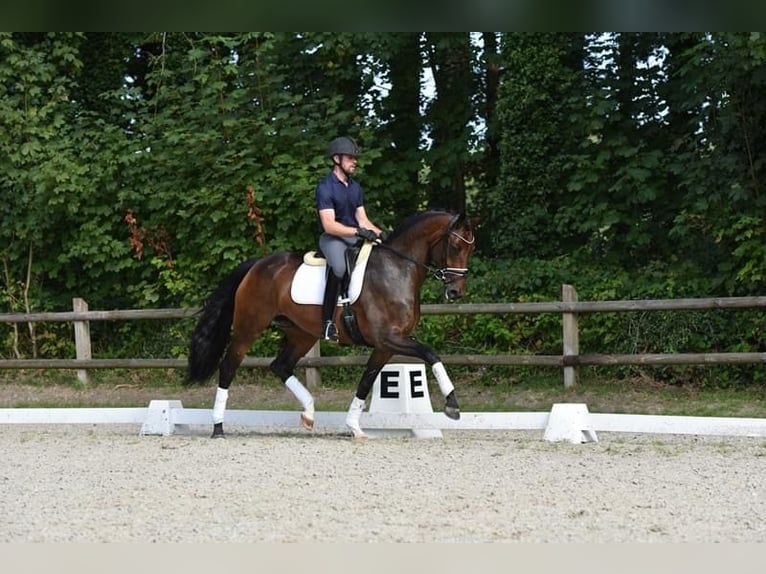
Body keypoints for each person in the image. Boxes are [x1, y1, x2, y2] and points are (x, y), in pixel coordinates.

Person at [315, 136, 383, 342]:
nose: (355, 161)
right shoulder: (325, 187)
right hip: (333, 238)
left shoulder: (355, 187)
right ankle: (327, 323)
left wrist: (382, 234)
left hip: (353, 236)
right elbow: (329, 224)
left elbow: (362, 219)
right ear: (337, 159)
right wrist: (357, 232)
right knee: (339, 268)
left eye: (355, 158)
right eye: (350, 158)